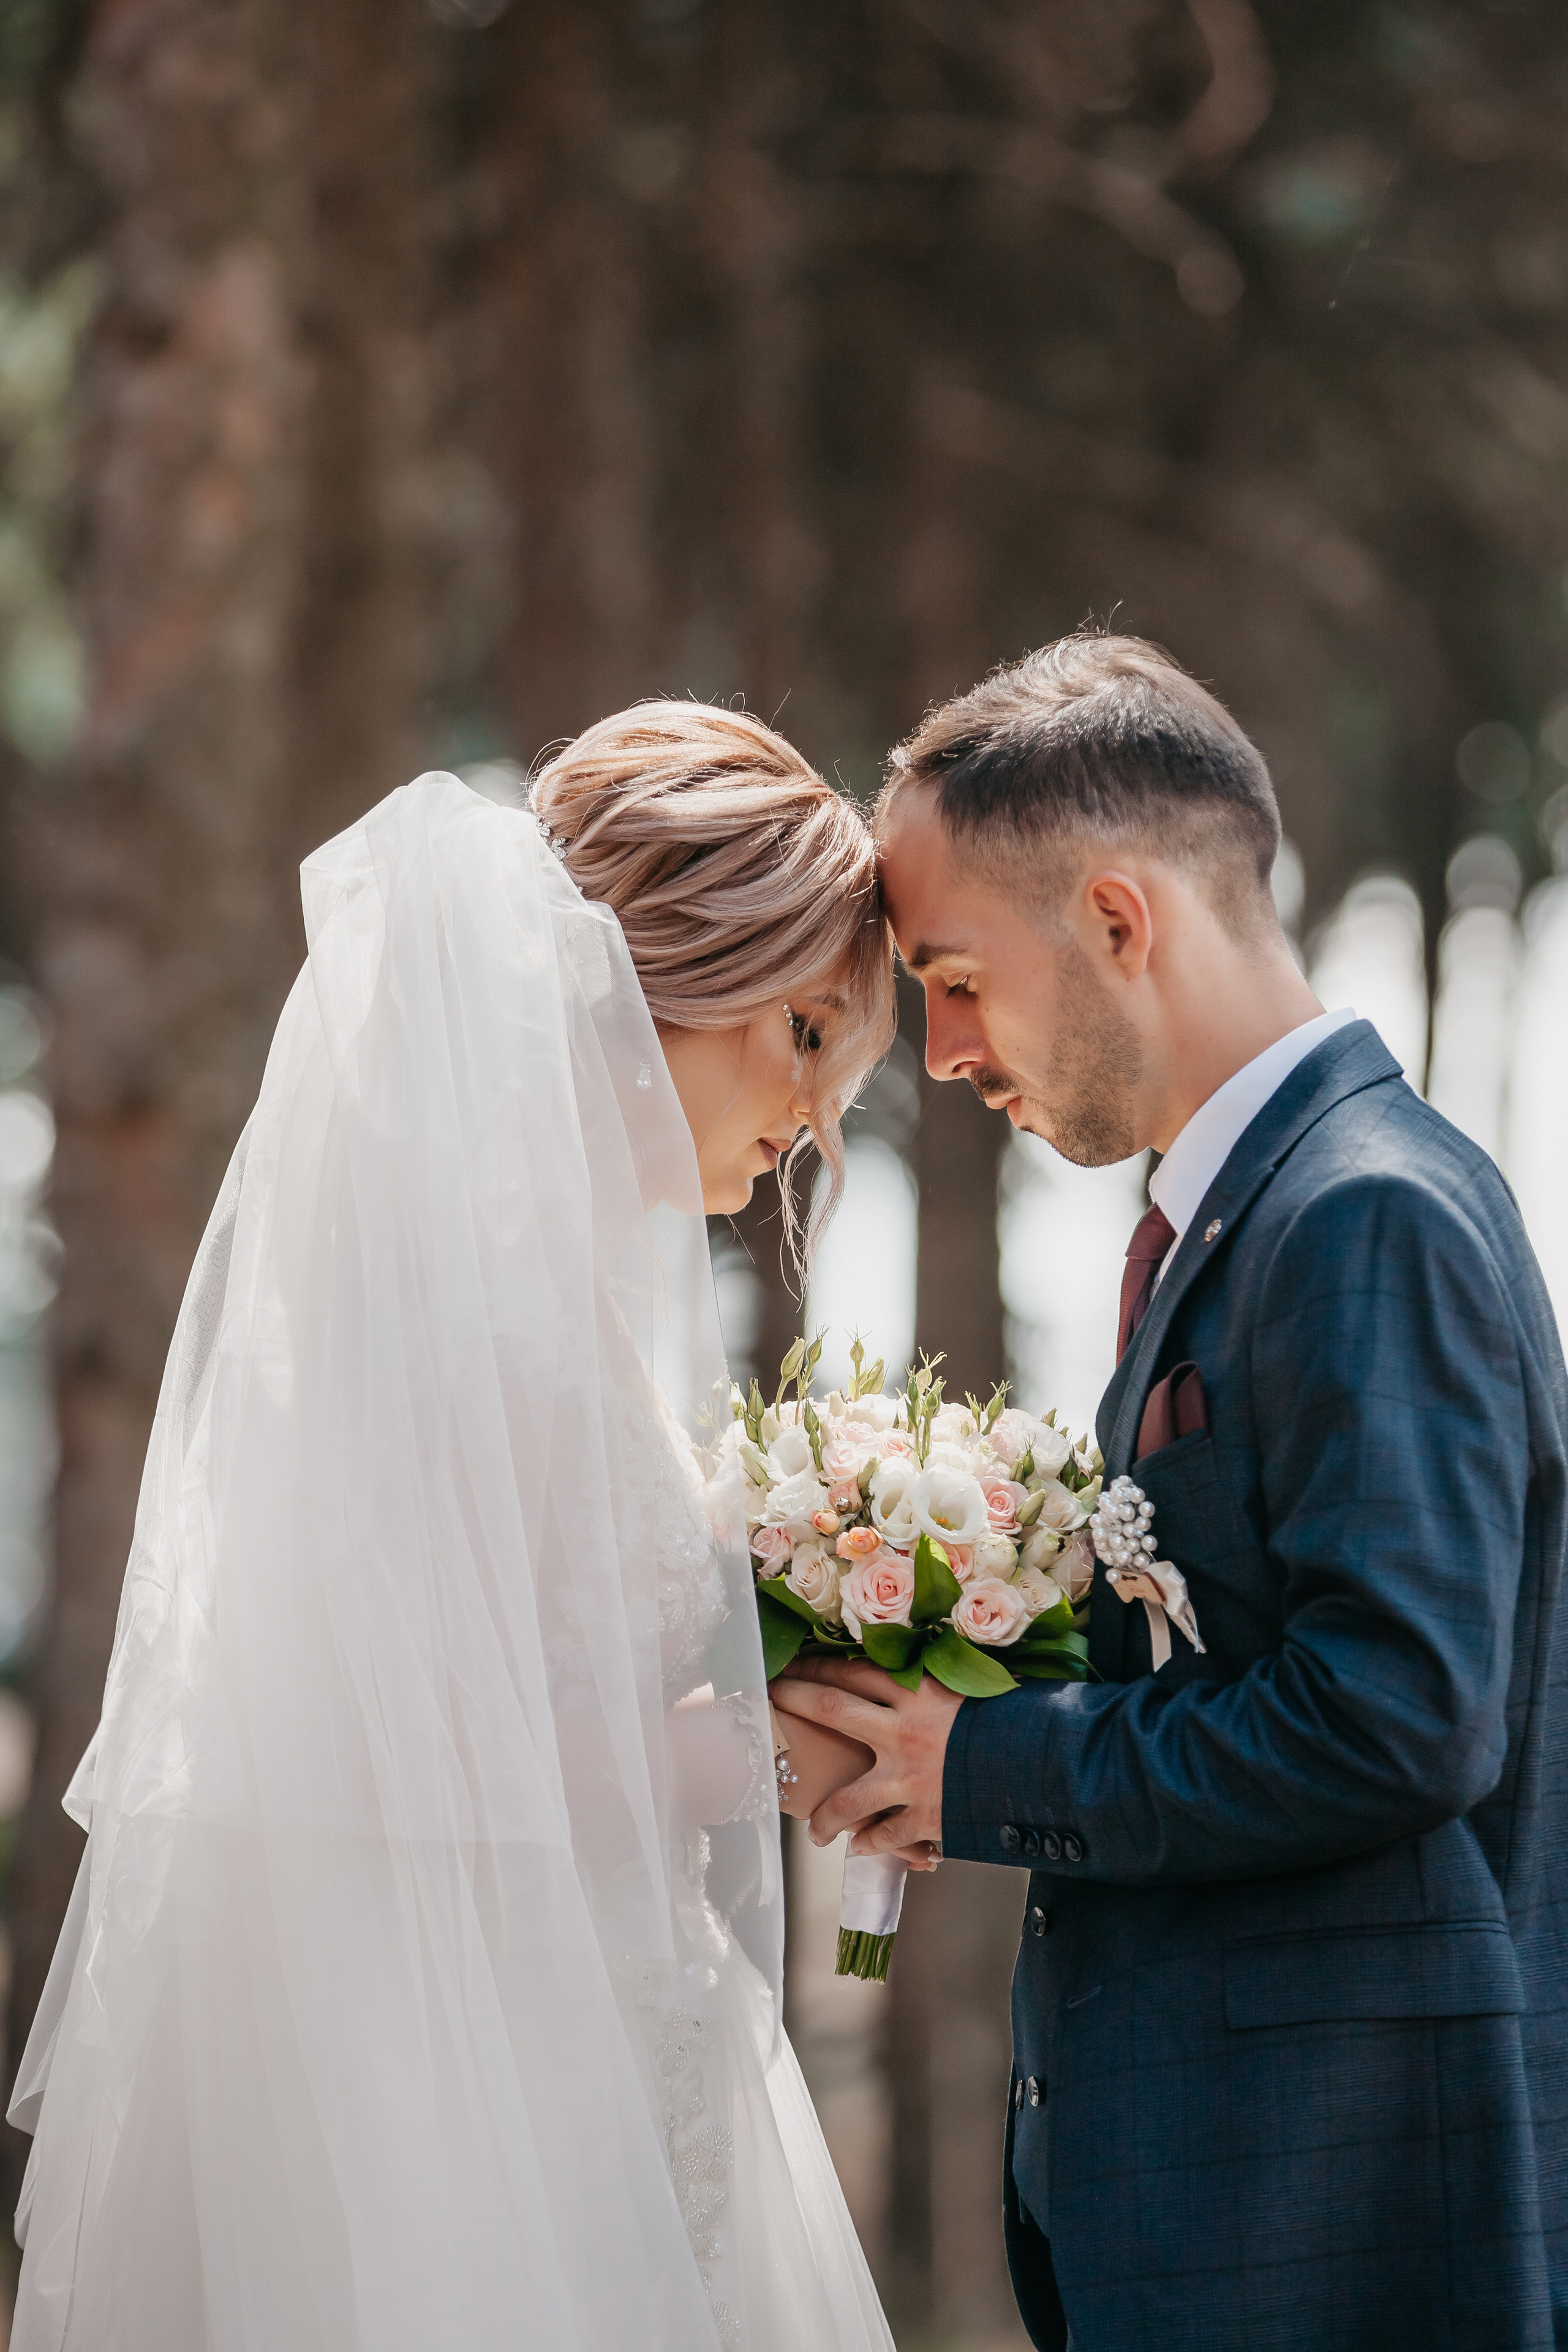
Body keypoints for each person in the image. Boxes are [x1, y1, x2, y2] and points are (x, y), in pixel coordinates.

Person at [9, 706, 899, 2352]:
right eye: (802, 1034)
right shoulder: (468, 1331)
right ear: (659, 981)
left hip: (604, 2045)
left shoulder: (555, 1304)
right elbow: (383, 1767)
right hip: (473, 2087)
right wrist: (771, 1743)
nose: (816, 1118)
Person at [773, 633, 1568, 2351]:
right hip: (1225, 2213)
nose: (947, 1044)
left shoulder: (1369, 1213)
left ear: (1121, 923)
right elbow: (1246, 1667)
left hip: (1344, 2223)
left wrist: (989, 1765)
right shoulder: (1238, 1225)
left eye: (959, 975)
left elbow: (1403, 1717)